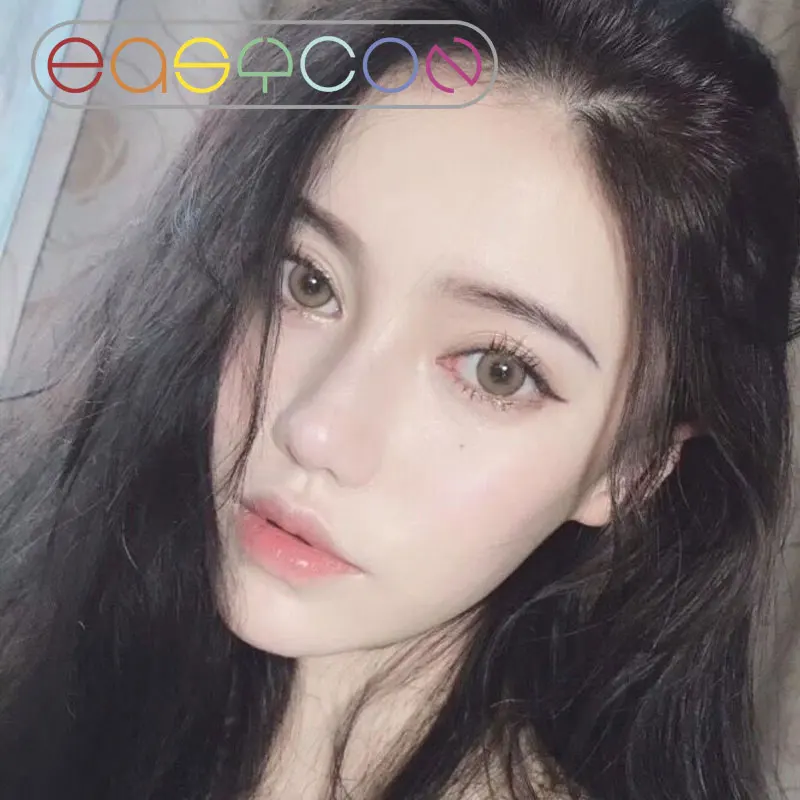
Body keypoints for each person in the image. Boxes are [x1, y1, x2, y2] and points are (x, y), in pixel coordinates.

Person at [1, 0, 799, 797]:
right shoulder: (71, 652)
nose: (315, 429)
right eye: (310, 282)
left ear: (635, 465)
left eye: (497, 370)